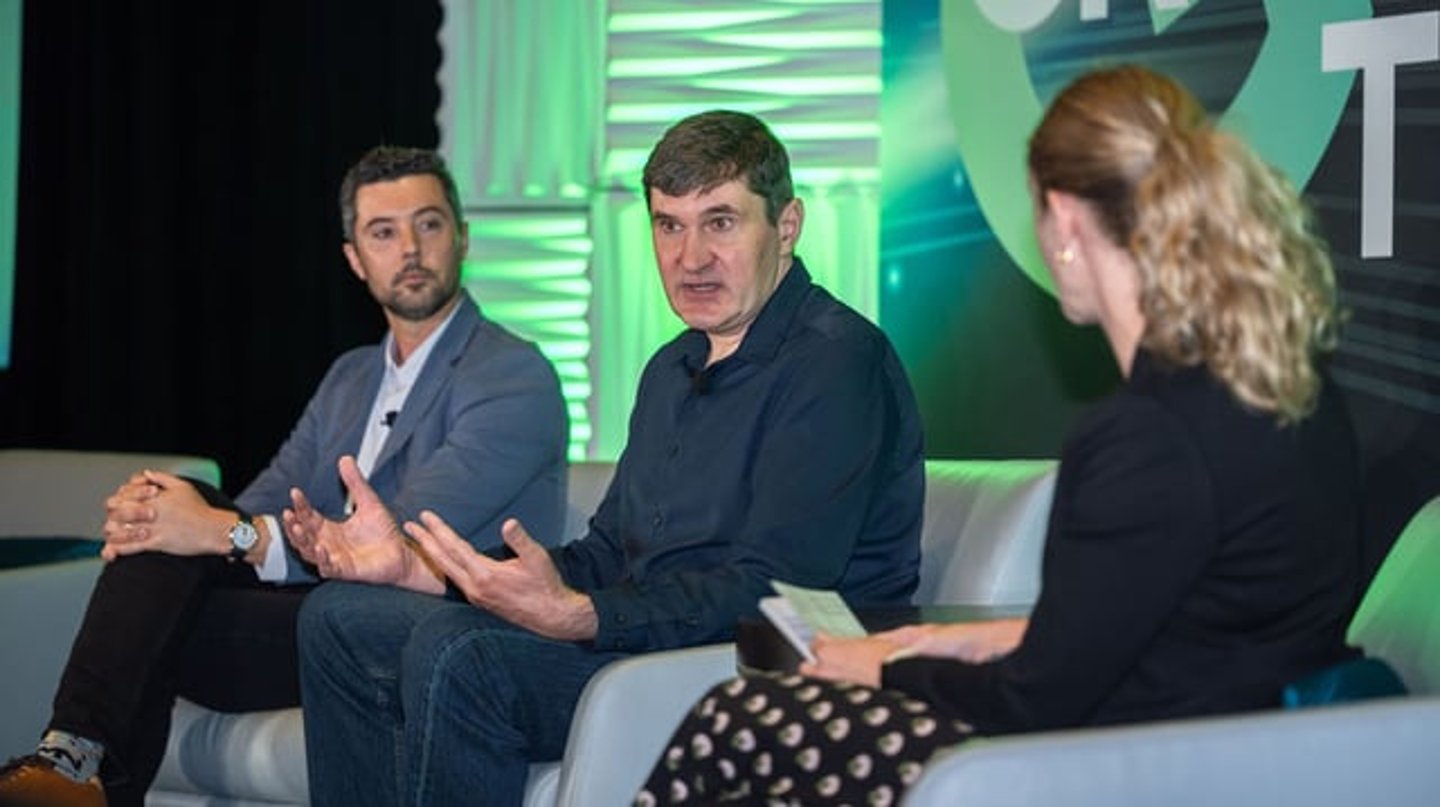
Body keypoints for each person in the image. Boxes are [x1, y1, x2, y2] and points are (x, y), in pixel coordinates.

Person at [637, 64, 1362, 805]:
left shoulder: (1146, 435)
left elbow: (1035, 699)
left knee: (738, 719)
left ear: (1065, 222)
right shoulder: (1280, 389)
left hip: (1130, 766)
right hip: (1223, 744)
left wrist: (883, 669)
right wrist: (949, 640)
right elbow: (1147, 627)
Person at [292, 109, 926, 806]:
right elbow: (608, 553)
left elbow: (777, 590)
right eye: (669, 225)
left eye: (719, 222)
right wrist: (431, 572)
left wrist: (587, 616)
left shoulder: (836, 361)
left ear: (786, 225)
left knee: (459, 653)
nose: (691, 257)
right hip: (647, 643)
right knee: (340, 618)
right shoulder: (671, 369)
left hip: (759, 668)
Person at [0, 146, 569, 807]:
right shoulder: (350, 375)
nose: (410, 249)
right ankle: (72, 766)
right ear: (355, 258)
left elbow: (396, 539)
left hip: (417, 631)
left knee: (161, 604)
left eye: (429, 224)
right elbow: (270, 492)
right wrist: (183, 522)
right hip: (315, 614)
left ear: (462, 236)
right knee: (173, 526)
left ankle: (75, 766)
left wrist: (224, 534)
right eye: (384, 232)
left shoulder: (512, 373)